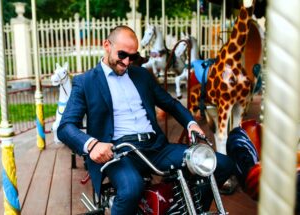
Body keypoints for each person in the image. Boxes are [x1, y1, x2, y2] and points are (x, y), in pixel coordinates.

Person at [57, 25, 234, 215]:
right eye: (122, 54)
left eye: (132, 57)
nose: (127, 62)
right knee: (132, 188)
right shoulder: (85, 82)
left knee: (221, 164)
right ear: (106, 45)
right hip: (117, 151)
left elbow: (170, 104)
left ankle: (193, 210)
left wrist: (191, 123)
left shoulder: (141, 75)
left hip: (156, 147)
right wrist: (92, 145)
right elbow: (65, 127)